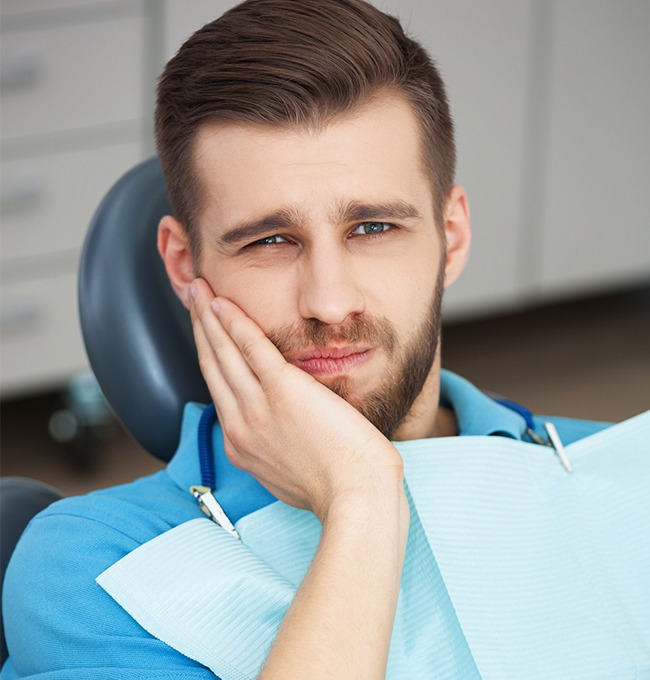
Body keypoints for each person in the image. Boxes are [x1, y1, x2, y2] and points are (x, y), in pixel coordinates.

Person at [1, 1, 619, 678]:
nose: (329, 302)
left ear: (453, 237)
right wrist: (361, 498)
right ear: (184, 264)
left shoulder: (618, 479)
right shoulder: (94, 568)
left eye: (374, 228)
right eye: (271, 240)